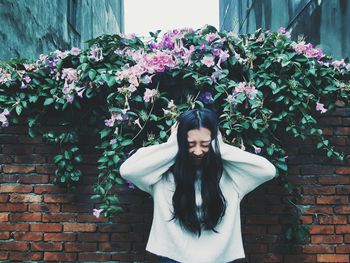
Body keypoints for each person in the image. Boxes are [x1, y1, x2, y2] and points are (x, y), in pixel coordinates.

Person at [120, 108, 276, 263]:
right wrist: (175, 143)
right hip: (174, 259)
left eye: (205, 143)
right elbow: (128, 170)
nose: (197, 151)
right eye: (190, 143)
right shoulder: (163, 176)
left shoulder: (230, 177)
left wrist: (217, 146)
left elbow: (267, 170)